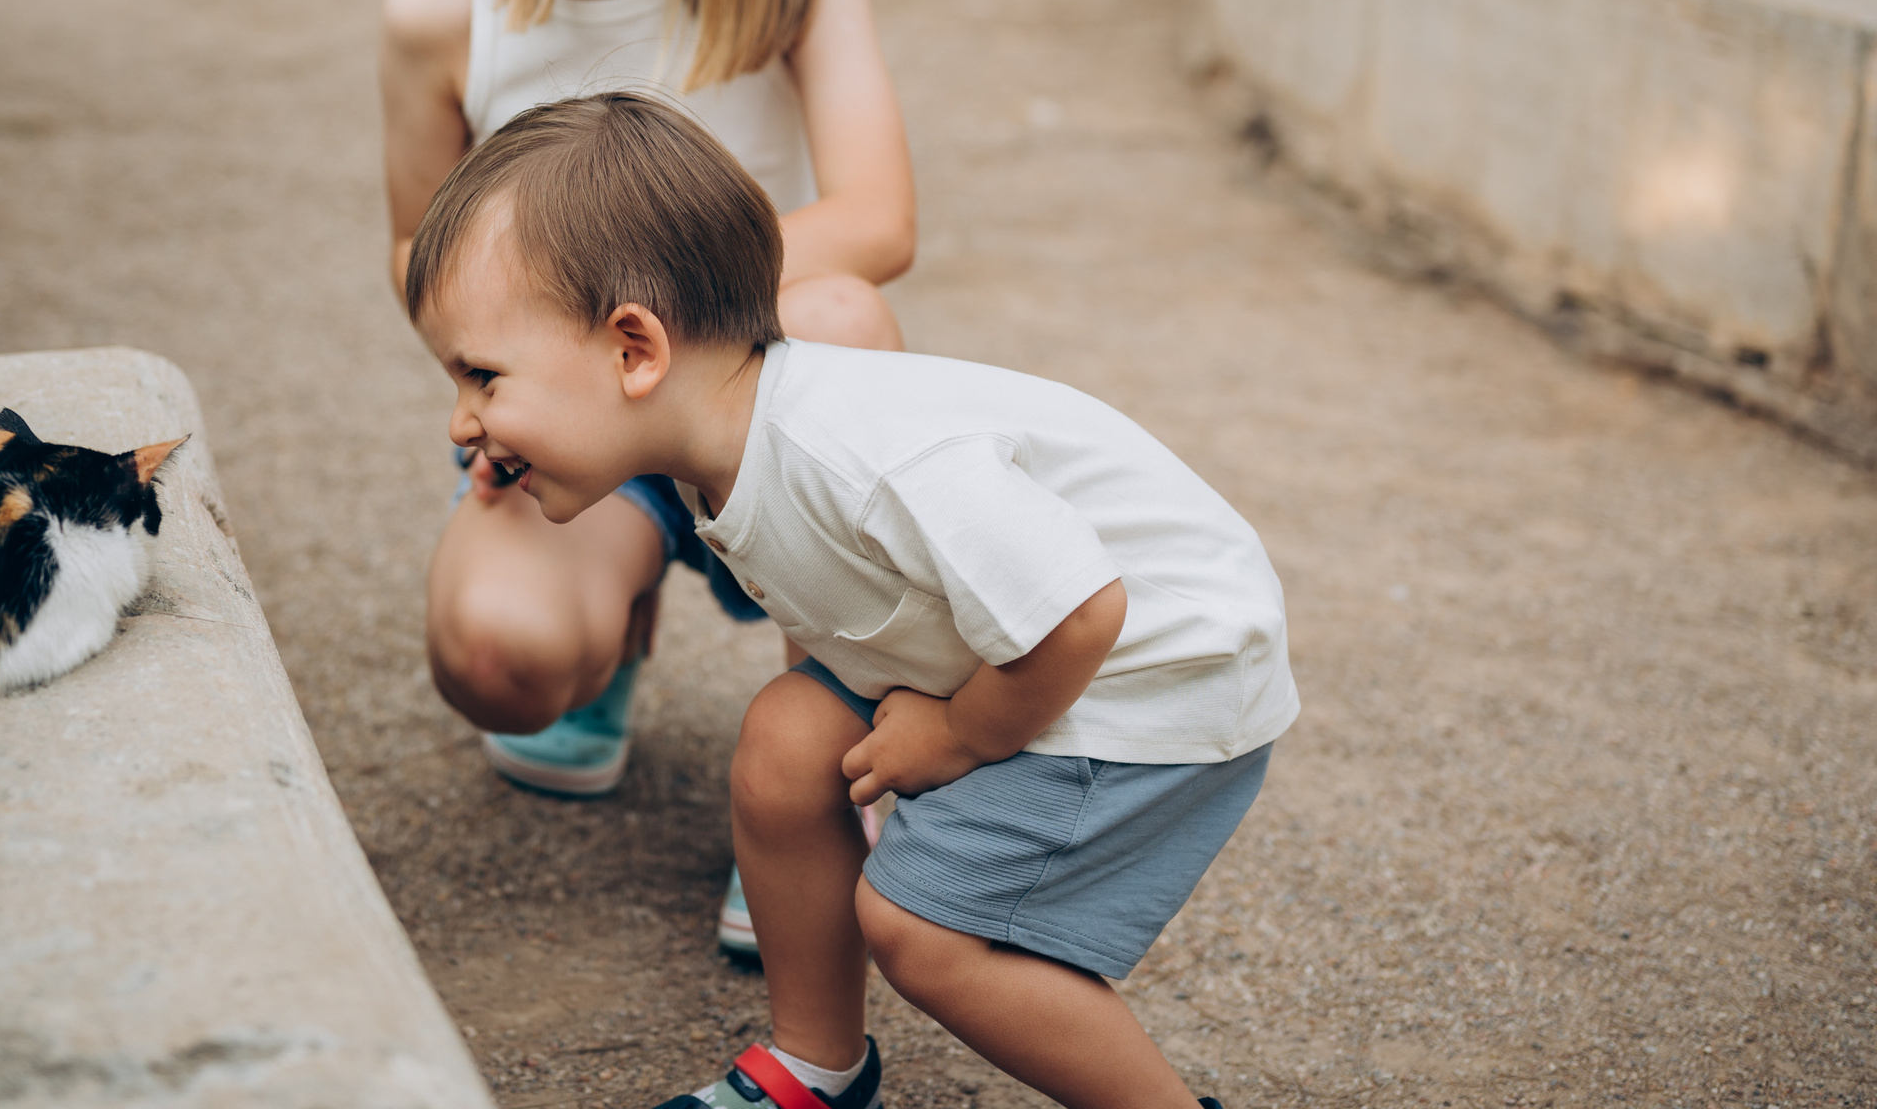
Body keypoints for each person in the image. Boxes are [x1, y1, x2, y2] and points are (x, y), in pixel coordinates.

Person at [402, 93, 1296, 1109]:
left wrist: (959, 739)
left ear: (634, 350)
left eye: (482, 377)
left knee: (925, 932)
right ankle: (814, 1067)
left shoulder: (851, 454)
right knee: (788, 735)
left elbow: (1080, 612)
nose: (462, 422)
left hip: (1152, 672)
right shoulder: (722, 449)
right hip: (1020, 652)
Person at [378, 0, 916, 952]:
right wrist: (535, 377)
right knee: (495, 658)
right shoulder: (448, 12)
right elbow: (417, 262)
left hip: (755, 397)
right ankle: (603, 632)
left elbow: (877, 220)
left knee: (847, 316)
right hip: (582, 428)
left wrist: (666, 312)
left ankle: (823, 783)